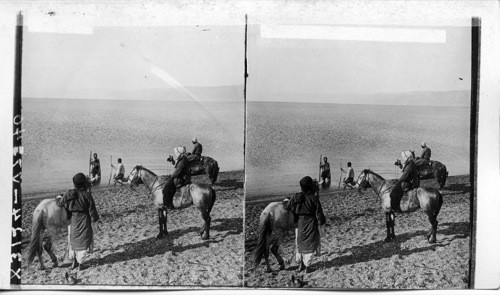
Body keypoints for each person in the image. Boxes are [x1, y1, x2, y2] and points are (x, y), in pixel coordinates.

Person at [56, 173, 99, 270]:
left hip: (73, 220)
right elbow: (92, 211)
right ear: (84, 183)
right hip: (84, 220)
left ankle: (74, 262)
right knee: (83, 242)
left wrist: (58, 197)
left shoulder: (69, 193)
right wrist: (95, 220)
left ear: (74, 184)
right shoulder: (87, 195)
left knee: (73, 241)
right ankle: (81, 264)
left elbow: (60, 203)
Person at [283, 176, 326, 273]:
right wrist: (322, 223)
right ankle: (307, 267)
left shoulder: (296, 197)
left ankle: (301, 265)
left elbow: (286, 206)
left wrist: (285, 201)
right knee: (310, 245)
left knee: (300, 244)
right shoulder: (314, 198)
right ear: (311, 186)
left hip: (300, 224)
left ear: (301, 187)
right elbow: (319, 214)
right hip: (311, 223)